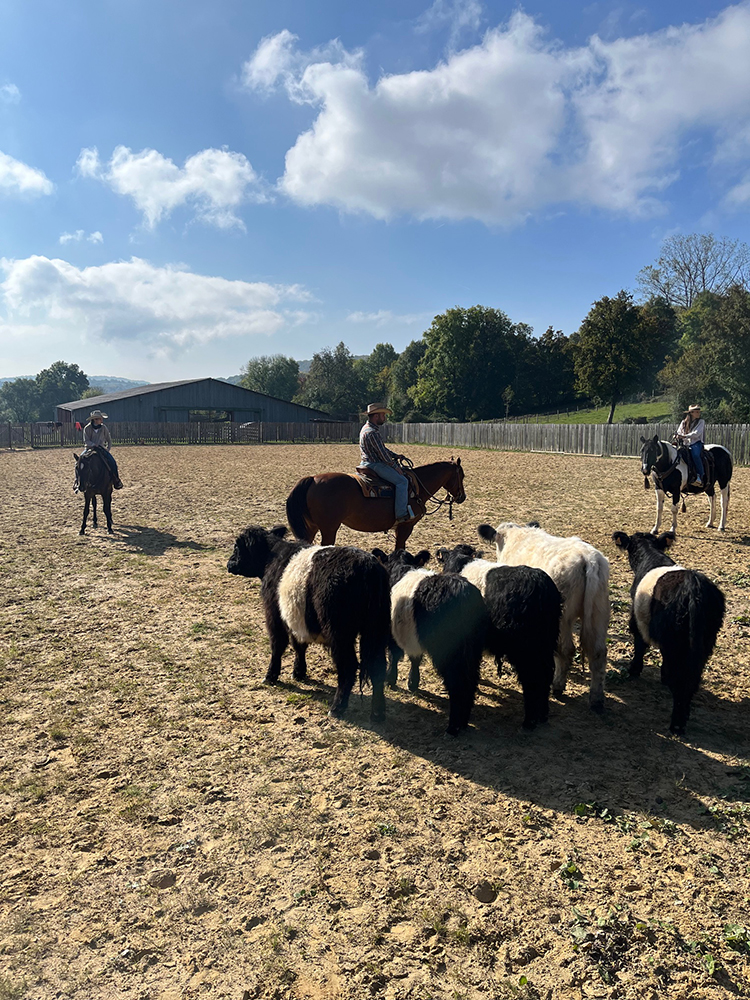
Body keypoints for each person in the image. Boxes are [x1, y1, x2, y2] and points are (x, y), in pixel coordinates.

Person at [359, 402, 413, 523]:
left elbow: (382, 449)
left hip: (365, 462)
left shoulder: (365, 429)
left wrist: (395, 455)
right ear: (376, 416)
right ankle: (401, 514)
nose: (385, 418)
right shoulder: (372, 432)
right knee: (402, 481)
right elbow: (382, 454)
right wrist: (394, 466)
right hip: (374, 464)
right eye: (383, 415)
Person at [82, 410, 123, 489]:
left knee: (112, 462)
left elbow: (109, 440)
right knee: (79, 461)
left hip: (102, 449)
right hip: (89, 448)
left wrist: (107, 449)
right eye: (100, 418)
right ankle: (78, 481)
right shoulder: (87, 428)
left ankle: (116, 480)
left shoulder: (104, 428)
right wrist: (93, 445)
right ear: (95, 420)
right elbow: (86, 440)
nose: (102, 420)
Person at [676, 404, 705, 487]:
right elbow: (679, 431)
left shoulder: (701, 422)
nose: (698, 413)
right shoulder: (683, 422)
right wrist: (677, 436)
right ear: (691, 413)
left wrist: (684, 436)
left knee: (695, 455)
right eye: (697, 412)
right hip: (685, 444)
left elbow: (697, 433)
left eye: (699, 412)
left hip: (696, 443)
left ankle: (700, 475)